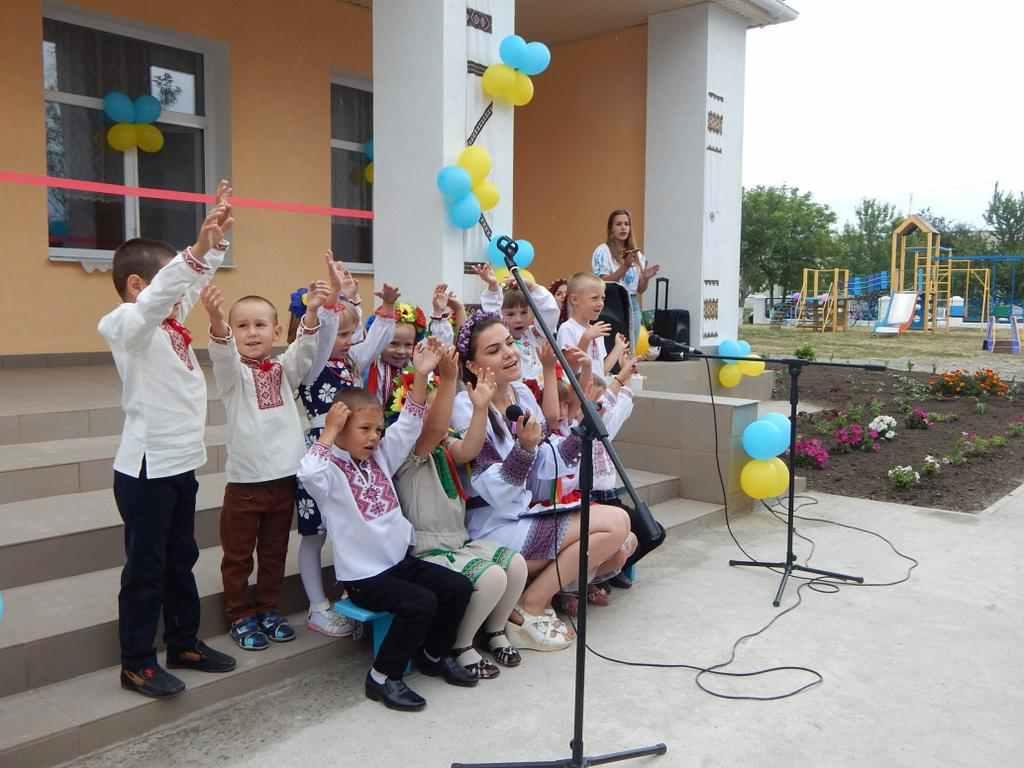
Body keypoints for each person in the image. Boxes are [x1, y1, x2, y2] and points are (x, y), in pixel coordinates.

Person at [97, 181, 237, 698]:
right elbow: (163, 296)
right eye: (165, 287)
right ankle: (136, 661)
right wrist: (196, 251)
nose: (181, 297)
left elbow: (188, 287)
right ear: (138, 286)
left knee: (181, 559)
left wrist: (216, 244)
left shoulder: (170, 324)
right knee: (146, 568)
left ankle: (184, 642)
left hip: (180, 464)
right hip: (145, 471)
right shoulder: (127, 325)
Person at [298, 339, 477, 712]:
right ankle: (382, 677)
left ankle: (432, 654)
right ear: (342, 427)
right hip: (364, 577)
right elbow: (307, 470)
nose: (375, 437)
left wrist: (422, 375)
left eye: (378, 429)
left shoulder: (381, 457)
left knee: (458, 587)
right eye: (364, 429)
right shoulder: (329, 472)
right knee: (421, 604)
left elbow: (409, 424)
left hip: (399, 563)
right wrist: (328, 433)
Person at [454, 312, 633, 651]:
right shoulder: (466, 407)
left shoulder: (521, 394)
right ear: (473, 366)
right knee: (614, 525)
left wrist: (581, 428)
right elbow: (492, 489)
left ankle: (534, 598)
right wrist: (524, 449)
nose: (509, 353)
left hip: (522, 515)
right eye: (493, 350)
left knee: (621, 546)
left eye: (509, 343)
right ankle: (531, 606)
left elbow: (548, 463)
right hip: (492, 526)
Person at [202, 271, 330, 650]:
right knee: (238, 556)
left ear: (276, 332)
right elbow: (222, 355)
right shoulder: (233, 377)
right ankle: (240, 615)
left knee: (274, 553)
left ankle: (269, 609)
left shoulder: (282, 371)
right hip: (244, 484)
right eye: (242, 326)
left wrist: (311, 313)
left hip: (284, 480)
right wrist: (215, 321)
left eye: (260, 325)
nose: (252, 332)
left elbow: (302, 352)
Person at [395, 345, 528, 679]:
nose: (432, 414)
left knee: (514, 563)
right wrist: (447, 379)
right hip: (427, 548)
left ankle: (494, 631)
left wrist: (480, 408)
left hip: (457, 541)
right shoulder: (409, 452)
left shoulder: (443, 446)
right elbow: (434, 430)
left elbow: (468, 448)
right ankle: (461, 644)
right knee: (492, 575)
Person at [295, 257, 398, 638]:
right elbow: (322, 339)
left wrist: (385, 309)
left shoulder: (352, 362)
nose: (347, 341)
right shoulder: (312, 363)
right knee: (314, 530)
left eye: (349, 334)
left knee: (350, 525)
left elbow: (371, 343)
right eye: (340, 334)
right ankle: (316, 605)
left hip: (352, 459)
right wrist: (333, 300)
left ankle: (353, 590)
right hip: (321, 455)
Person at [473, 264, 560, 386]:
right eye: (511, 314)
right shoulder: (501, 335)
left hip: (539, 395)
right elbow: (492, 314)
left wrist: (532, 287)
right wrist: (493, 286)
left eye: (524, 312)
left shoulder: (534, 334)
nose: (519, 319)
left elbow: (550, 312)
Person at [591, 209, 659, 347]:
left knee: (630, 346)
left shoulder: (637, 254)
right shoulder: (603, 251)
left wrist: (645, 278)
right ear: (611, 228)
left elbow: (640, 289)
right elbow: (603, 282)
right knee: (614, 345)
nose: (623, 227)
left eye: (626, 224)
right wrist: (625, 267)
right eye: (619, 224)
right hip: (611, 303)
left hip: (632, 303)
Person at [556, 272, 628, 375]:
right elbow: (571, 368)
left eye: (602, 298)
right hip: (579, 390)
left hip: (596, 390)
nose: (600, 303)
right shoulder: (567, 328)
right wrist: (586, 338)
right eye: (594, 298)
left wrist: (618, 348)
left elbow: (601, 371)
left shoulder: (596, 331)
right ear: (574, 299)